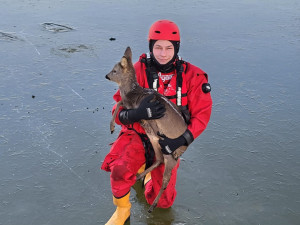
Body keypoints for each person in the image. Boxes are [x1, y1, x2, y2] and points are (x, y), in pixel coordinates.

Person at [101, 19, 212, 225]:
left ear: (176, 48)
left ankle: (149, 174)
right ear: (151, 47)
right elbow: (117, 111)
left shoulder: (193, 75)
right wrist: (133, 115)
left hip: (168, 141)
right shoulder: (137, 70)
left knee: (163, 202)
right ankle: (122, 211)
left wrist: (182, 140)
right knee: (119, 171)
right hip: (137, 133)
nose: (163, 53)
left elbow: (202, 115)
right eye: (158, 47)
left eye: (169, 48)